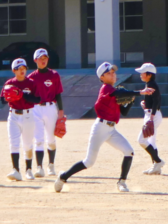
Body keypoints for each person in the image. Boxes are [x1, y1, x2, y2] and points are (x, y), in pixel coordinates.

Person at [54, 62, 136, 193]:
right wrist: (140, 92)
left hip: (111, 130)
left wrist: (131, 101)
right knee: (89, 162)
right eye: (109, 72)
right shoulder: (106, 89)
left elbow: (124, 112)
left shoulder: (114, 92)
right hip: (100, 128)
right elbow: (117, 93)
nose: (113, 74)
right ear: (102, 77)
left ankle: (122, 182)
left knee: (129, 152)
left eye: (113, 72)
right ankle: (63, 177)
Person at [1, 58, 41, 181]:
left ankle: (28, 169)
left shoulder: (31, 83)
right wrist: (10, 96)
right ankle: (15, 170)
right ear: (14, 70)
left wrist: (22, 94)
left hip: (28, 115)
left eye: (24, 68)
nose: (22, 71)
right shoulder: (9, 83)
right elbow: (2, 100)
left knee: (28, 144)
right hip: (13, 115)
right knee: (14, 143)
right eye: (19, 69)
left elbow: (37, 99)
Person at [28, 48, 64, 177]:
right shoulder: (31, 77)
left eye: (45, 58)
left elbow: (58, 94)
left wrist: (61, 111)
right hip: (36, 108)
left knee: (51, 138)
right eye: (40, 58)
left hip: (50, 107)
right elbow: (28, 96)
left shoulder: (54, 75)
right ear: (35, 60)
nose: (43, 61)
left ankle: (51, 165)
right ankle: (39, 167)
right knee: (38, 139)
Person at [135, 63, 165, 175]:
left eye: (143, 73)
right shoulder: (150, 84)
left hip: (153, 116)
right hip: (151, 114)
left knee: (141, 140)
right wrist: (145, 105)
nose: (141, 74)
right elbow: (153, 100)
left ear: (149, 74)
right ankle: (156, 167)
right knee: (151, 142)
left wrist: (151, 116)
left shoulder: (152, 85)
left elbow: (157, 101)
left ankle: (158, 161)